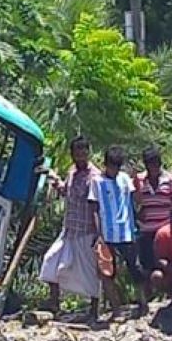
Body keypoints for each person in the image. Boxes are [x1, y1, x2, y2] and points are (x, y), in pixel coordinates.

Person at [40, 136, 102, 318]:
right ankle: (54, 303)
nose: (81, 156)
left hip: (86, 231)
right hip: (69, 229)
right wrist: (52, 177)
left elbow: (96, 206)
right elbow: (66, 191)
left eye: (84, 152)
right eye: (77, 153)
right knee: (50, 261)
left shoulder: (94, 177)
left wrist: (98, 234)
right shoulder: (72, 172)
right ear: (73, 154)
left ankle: (94, 309)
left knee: (90, 272)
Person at [95, 145, 144, 313]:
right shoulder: (97, 182)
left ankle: (142, 302)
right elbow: (94, 208)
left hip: (127, 232)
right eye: (111, 166)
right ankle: (115, 308)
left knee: (135, 268)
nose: (114, 170)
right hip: (107, 234)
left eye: (117, 166)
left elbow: (135, 200)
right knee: (107, 272)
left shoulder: (124, 179)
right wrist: (98, 233)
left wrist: (138, 183)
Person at [132, 145, 172, 296]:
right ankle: (147, 296)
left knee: (165, 262)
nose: (153, 167)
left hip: (164, 229)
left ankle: (169, 292)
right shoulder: (139, 180)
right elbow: (135, 203)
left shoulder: (170, 179)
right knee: (146, 264)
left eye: (155, 163)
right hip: (146, 229)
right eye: (149, 164)